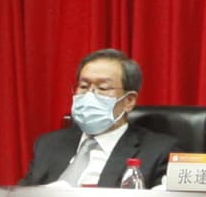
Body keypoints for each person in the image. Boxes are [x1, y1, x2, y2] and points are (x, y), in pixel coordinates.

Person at [16, 48, 177, 189]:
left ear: (129, 101)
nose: (90, 95)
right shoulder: (48, 144)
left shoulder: (158, 151)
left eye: (103, 88)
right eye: (83, 86)